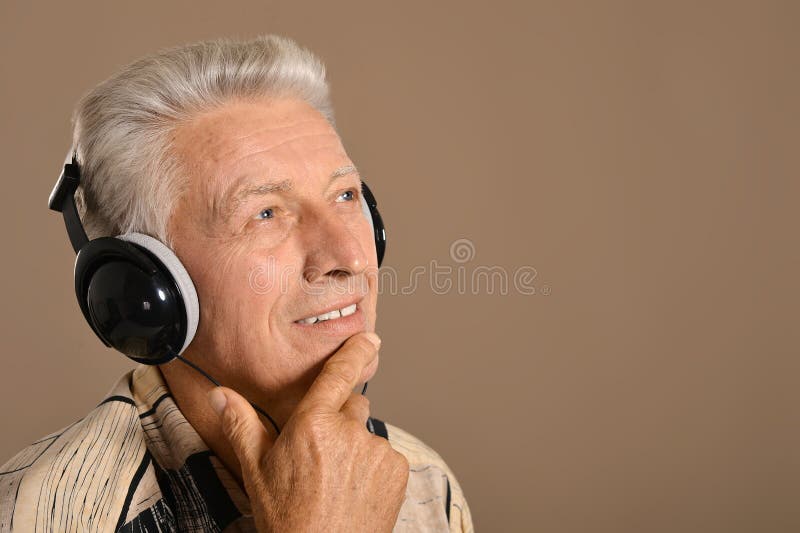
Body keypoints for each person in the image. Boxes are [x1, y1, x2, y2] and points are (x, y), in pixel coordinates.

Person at [0, 35, 473, 532]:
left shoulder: (425, 485)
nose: (351, 258)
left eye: (346, 196)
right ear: (147, 288)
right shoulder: (39, 516)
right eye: (266, 213)